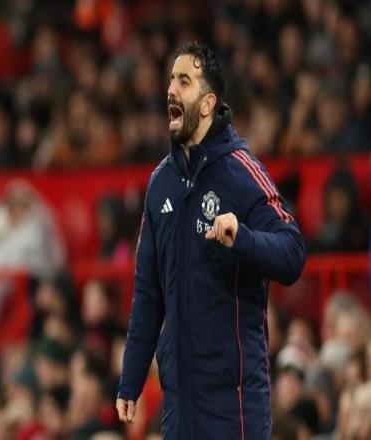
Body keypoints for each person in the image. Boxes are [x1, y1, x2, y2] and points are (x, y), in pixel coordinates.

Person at [116, 42, 306, 439]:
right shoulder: (160, 183)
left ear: (207, 104)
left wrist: (243, 238)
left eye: (184, 81)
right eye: (171, 79)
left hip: (234, 405)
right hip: (179, 403)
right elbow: (148, 292)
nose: (171, 89)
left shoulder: (241, 171)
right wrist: (131, 379)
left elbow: (292, 253)